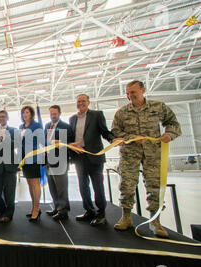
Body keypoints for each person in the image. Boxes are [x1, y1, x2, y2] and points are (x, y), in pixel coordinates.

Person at [111, 80, 182, 238]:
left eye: (133, 93)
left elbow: (173, 123)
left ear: (143, 90)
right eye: (128, 93)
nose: (130, 96)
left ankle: (155, 221)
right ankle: (126, 217)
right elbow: (115, 132)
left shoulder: (158, 107)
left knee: (155, 187)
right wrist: (131, 137)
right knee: (126, 186)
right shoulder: (122, 112)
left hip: (152, 154)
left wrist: (169, 134)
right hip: (130, 155)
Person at [69, 94, 115, 226]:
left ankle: (101, 214)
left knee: (98, 186)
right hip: (79, 156)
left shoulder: (97, 115)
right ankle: (89, 211)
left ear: (88, 102)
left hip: (94, 156)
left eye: (83, 101)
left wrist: (113, 139)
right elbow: (71, 136)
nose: (81, 103)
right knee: (83, 186)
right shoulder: (72, 118)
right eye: (78, 101)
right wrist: (71, 144)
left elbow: (105, 132)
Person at [0, 110, 20, 223]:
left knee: (9, 192)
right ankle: (0, 209)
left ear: (7, 118)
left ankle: (9, 214)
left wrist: (5, 140)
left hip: (10, 166)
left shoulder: (13, 130)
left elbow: (17, 143)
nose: (1, 119)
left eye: (3, 117)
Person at [44, 105, 73, 221]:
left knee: (61, 188)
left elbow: (71, 142)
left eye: (55, 113)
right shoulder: (47, 126)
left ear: (59, 113)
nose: (52, 115)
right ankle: (56, 207)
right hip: (48, 161)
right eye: (51, 113)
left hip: (60, 162)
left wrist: (61, 142)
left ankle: (63, 211)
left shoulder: (65, 126)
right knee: (52, 187)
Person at [19, 106, 45, 222]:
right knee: (29, 183)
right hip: (25, 159)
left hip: (34, 157)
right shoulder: (21, 126)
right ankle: (34, 208)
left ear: (32, 114)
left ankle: (36, 208)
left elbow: (42, 141)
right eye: (23, 112)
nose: (25, 114)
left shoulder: (37, 125)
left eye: (27, 112)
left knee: (35, 183)